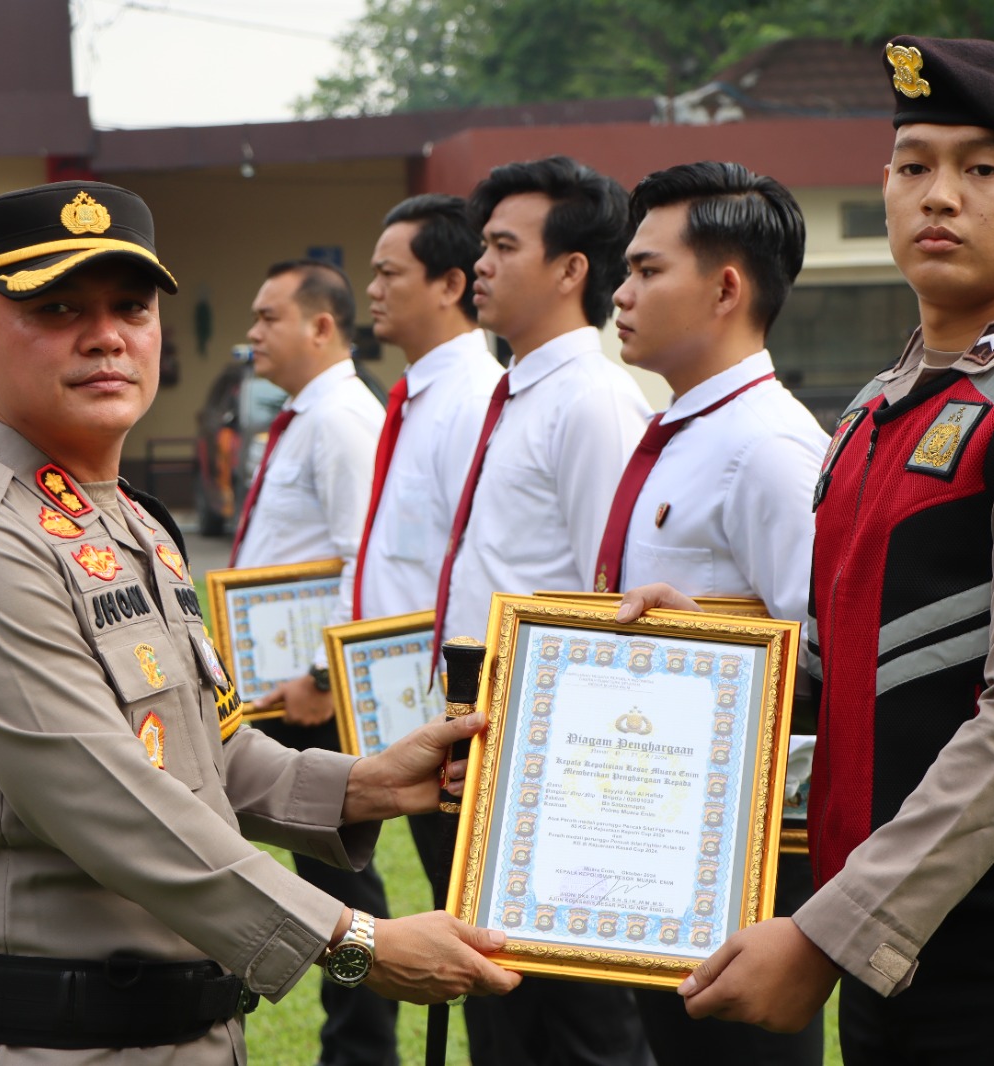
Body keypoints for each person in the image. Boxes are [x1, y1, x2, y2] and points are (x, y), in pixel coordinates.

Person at [629, 38, 994, 1064]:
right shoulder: (879, 410)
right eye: (912, 166)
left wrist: (823, 932)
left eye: (982, 169)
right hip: (899, 952)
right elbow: (854, 652)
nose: (938, 196)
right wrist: (712, 654)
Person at [0, 180, 519, 1065]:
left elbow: (190, 748)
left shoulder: (120, 517)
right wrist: (353, 940)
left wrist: (362, 785)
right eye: (57, 309)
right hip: (49, 1040)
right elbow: (108, 800)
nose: (104, 334)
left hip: (187, 1030)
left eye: (129, 307)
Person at [599, 160, 830, 1066]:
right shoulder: (687, 432)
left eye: (648, 270)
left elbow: (831, 661)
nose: (621, 292)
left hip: (745, 854)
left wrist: (704, 645)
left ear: (726, 287)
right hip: (663, 824)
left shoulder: (770, 447)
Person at [434, 156, 653, 1066]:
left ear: (571, 270)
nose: (479, 264)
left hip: (556, 718)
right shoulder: (515, 390)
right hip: (485, 702)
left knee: (575, 1008)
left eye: (502, 246)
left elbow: (610, 586)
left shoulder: (594, 399)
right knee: (499, 992)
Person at [227, 259, 396, 1066]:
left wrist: (326, 681)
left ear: (320, 326)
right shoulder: (302, 416)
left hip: (309, 692)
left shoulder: (341, 420)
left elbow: (359, 556)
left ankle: (361, 1050)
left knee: (341, 876)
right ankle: (352, 1043)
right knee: (323, 869)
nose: (251, 334)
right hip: (278, 684)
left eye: (267, 317)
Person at [354, 194, 504, 909]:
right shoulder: (416, 398)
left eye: (390, 274)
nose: (373, 291)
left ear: (451, 284)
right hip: (409, 708)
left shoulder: (475, 399)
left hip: (459, 717)